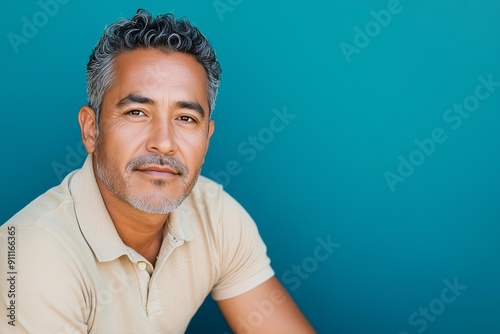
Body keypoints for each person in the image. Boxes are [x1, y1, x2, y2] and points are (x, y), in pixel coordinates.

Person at [0, 9, 316, 334]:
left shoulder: (214, 214)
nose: (163, 143)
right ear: (91, 129)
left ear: (207, 140)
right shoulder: (31, 253)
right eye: (137, 112)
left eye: (186, 118)